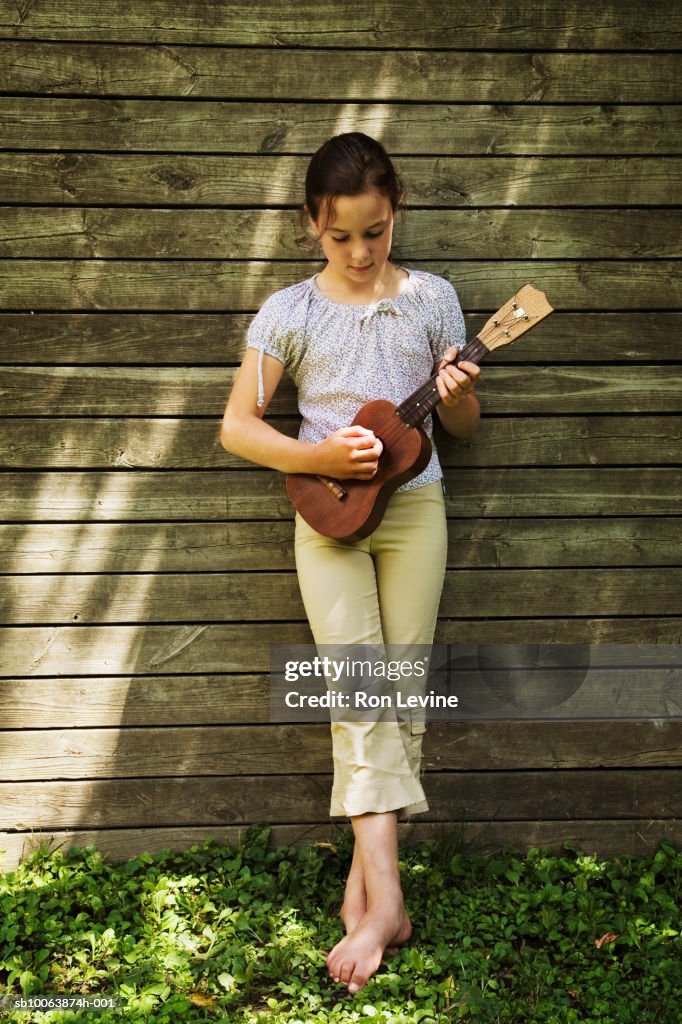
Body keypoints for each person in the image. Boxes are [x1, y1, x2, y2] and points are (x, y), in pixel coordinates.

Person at [221, 132, 481, 995]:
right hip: (328, 519)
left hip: (417, 509)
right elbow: (240, 426)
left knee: (398, 693)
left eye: (376, 232)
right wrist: (320, 459)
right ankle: (388, 905)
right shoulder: (287, 313)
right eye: (342, 238)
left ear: (395, 211)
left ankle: (363, 885)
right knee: (357, 687)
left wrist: (463, 394)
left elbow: (464, 429)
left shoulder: (435, 300)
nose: (362, 253)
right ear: (312, 226)